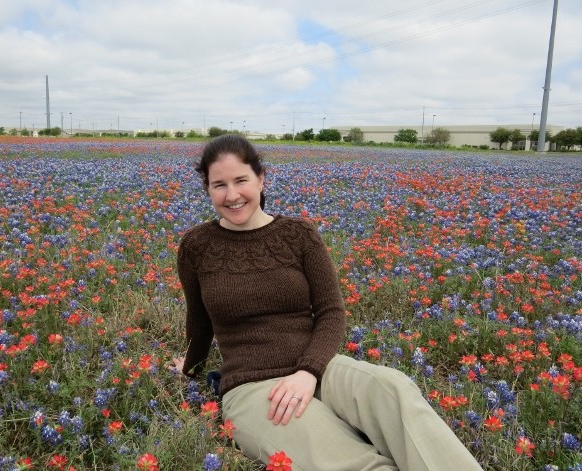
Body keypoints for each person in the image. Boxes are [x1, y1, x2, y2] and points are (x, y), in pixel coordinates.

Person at [172, 134, 483, 471]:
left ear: (261, 180)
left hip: (320, 367)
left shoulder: (298, 234)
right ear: (207, 189)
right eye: (219, 185)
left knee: (391, 387)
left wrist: (309, 370)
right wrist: (190, 366)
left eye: (241, 180)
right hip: (252, 387)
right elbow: (199, 321)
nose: (231, 195)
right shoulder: (196, 246)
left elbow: (331, 312)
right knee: (339, 456)